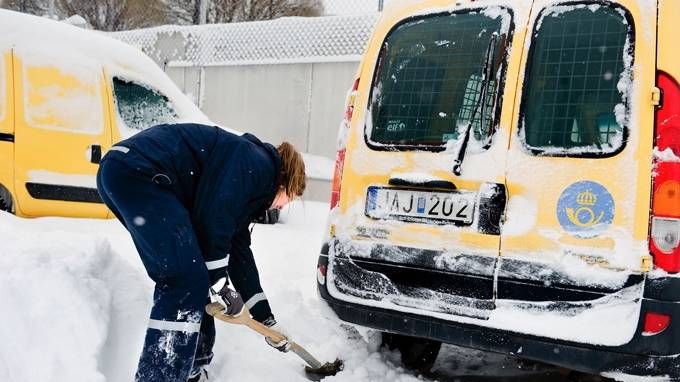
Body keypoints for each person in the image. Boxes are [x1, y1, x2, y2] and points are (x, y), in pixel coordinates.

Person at [96, 123, 306, 382]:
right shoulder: (257, 166)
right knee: (183, 281)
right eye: (290, 199)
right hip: (141, 173)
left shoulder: (250, 180)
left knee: (195, 273)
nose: (283, 207)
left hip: (123, 170)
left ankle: (194, 367)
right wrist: (221, 284)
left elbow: (239, 256)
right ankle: (162, 376)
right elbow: (213, 219)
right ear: (285, 183)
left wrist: (266, 319)